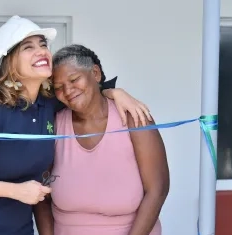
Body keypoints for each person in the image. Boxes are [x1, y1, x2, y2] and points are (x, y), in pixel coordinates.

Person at [0, 15, 152, 235]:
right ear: (9, 61)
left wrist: (115, 92)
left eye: (43, 44)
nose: (41, 51)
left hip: (18, 228)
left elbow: (88, 91)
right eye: (28, 47)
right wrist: (16, 192)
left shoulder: (48, 104)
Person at [49, 44, 170, 235]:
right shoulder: (54, 124)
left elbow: (158, 189)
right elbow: (41, 193)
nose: (68, 90)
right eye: (58, 87)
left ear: (95, 73)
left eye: (74, 79)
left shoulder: (133, 118)